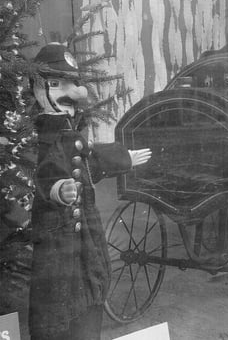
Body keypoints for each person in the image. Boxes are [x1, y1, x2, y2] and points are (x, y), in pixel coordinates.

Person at [28, 43, 151, 340]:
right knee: (56, 299)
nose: (72, 92)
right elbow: (35, 173)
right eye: (58, 84)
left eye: (73, 83)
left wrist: (124, 159)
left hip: (83, 235)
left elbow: (87, 163)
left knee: (88, 289)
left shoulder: (70, 130)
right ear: (39, 87)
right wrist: (57, 190)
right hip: (57, 236)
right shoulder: (38, 134)